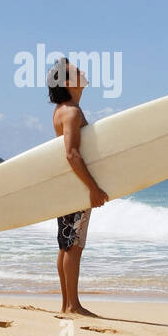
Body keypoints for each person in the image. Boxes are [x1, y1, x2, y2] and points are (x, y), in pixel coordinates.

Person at [47, 57, 108, 315]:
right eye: (76, 71)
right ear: (68, 82)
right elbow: (71, 153)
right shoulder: (71, 112)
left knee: (66, 244)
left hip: (67, 187)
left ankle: (67, 304)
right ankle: (73, 305)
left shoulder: (62, 109)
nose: (83, 72)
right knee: (73, 244)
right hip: (76, 187)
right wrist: (93, 188)